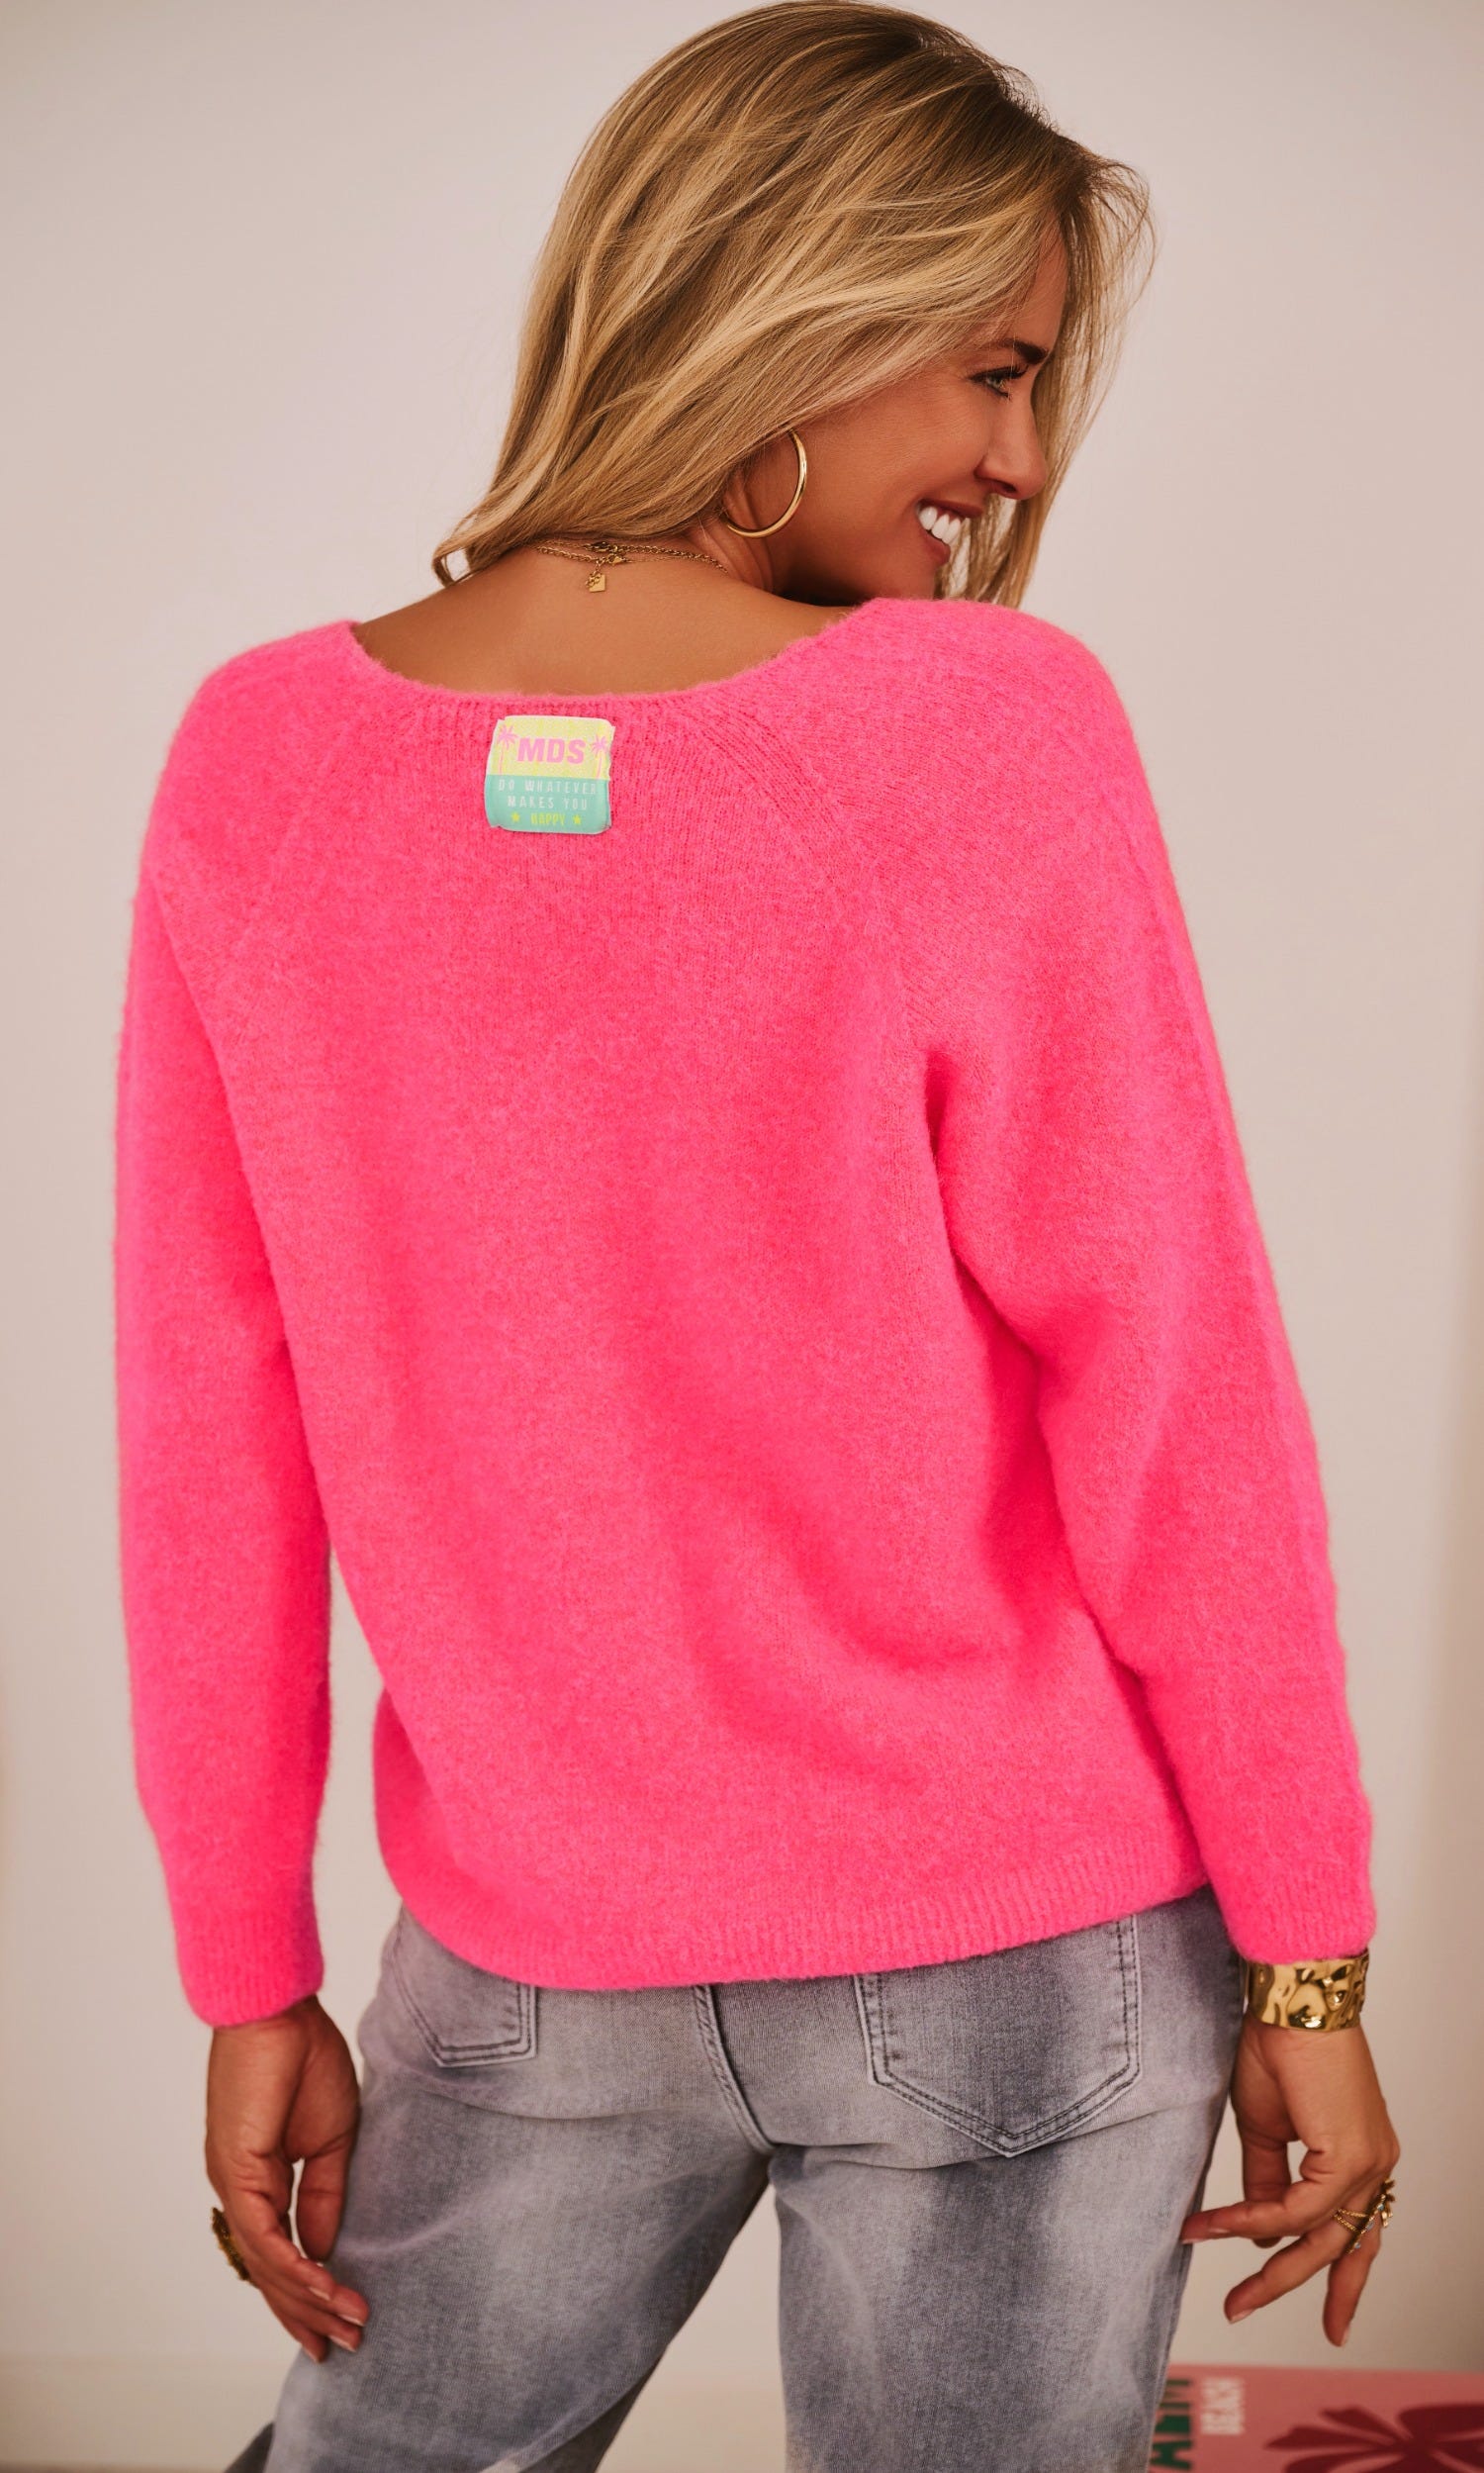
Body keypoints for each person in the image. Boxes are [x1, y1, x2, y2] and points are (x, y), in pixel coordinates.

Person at [113, 6, 1399, 2469]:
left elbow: (206, 1433)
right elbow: (1176, 1386)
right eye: (994, 370)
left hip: (525, 1955)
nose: (1021, 460)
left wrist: (244, 1966)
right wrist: (1310, 1959)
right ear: (799, 308)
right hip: (1018, 1948)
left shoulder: (257, 761)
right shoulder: (982, 727)